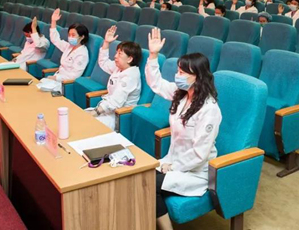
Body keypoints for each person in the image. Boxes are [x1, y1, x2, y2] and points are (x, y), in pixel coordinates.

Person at [146, 28, 222, 230]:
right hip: (173, 161)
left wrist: (173, 167)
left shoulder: (209, 109)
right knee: (139, 176)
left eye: (181, 73)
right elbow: (156, 84)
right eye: (177, 71)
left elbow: (200, 153)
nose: (176, 76)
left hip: (195, 171)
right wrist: (153, 55)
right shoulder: (181, 93)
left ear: (197, 76)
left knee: (148, 183)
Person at [87, 26, 142, 130]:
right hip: (106, 110)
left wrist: (96, 112)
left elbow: (115, 101)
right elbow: (103, 62)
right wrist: (106, 43)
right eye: (116, 53)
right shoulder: (120, 67)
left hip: (118, 116)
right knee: (78, 117)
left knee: (87, 125)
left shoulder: (131, 75)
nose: (115, 56)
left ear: (129, 59)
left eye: (119, 54)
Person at [36, 8, 89, 93]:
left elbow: (74, 76)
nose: (70, 37)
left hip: (65, 84)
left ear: (82, 37)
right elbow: (55, 39)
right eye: (69, 35)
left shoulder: (82, 54)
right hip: (56, 79)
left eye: (73, 35)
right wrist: (53, 21)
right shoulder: (69, 46)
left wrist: (56, 78)